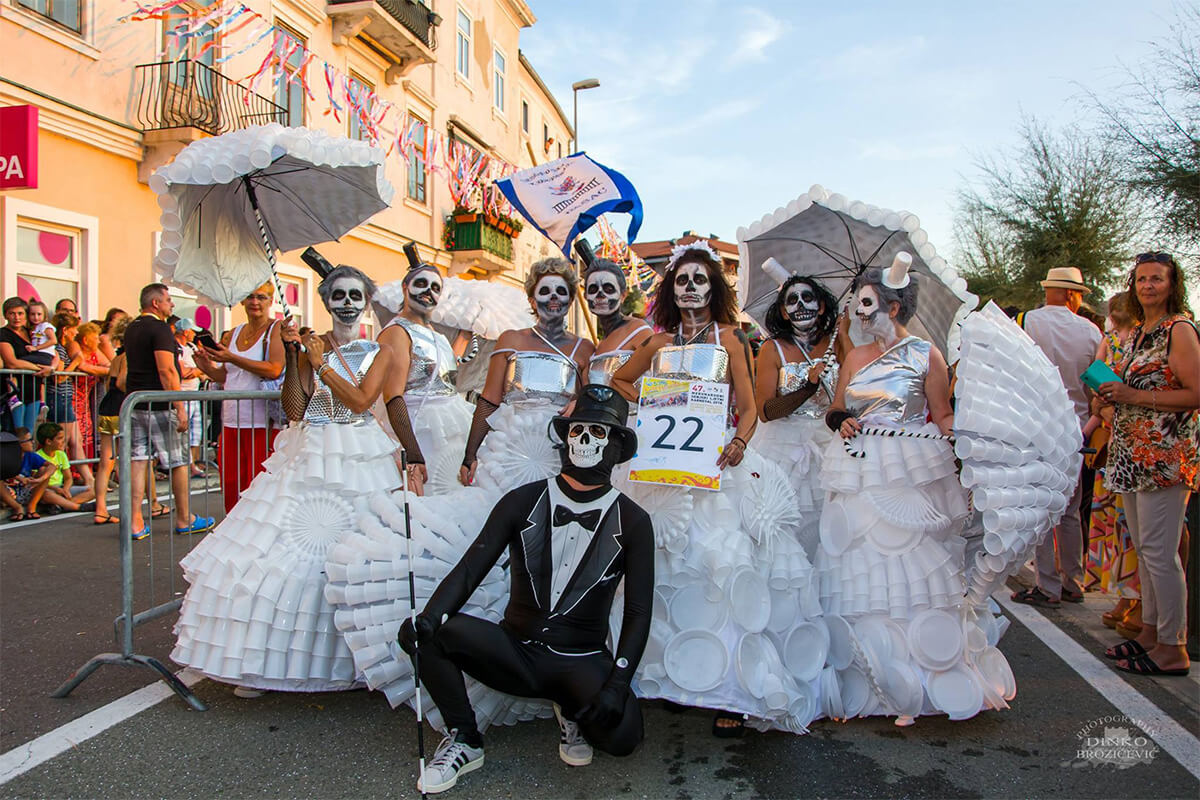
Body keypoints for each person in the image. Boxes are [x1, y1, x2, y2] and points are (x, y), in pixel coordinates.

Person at [397, 385, 652, 794]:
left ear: (617, 444)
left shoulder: (634, 520)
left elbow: (639, 612)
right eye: (577, 430)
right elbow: (469, 571)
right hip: (514, 653)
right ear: (565, 438)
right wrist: (429, 617)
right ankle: (465, 738)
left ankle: (571, 709)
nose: (584, 441)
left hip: (580, 660)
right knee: (430, 631)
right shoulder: (522, 500)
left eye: (598, 432)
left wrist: (618, 685)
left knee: (623, 739)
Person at [610, 241, 817, 736]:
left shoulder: (730, 339)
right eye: (681, 280)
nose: (690, 288)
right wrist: (656, 406)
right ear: (670, 289)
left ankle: (731, 684)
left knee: (720, 564)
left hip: (715, 465)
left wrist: (741, 441)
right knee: (662, 563)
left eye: (699, 280)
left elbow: (748, 405)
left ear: (713, 288)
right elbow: (620, 381)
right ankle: (672, 675)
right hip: (661, 468)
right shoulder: (659, 344)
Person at [171, 266, 400, 697]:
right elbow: (295, 408)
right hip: (307, 446)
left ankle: (358, 658)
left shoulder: (381, 349)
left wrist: (320, 365)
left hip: (357, 452)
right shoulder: (308, 342)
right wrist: (296, 357)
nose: (347, 303)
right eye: (338, 295)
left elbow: (361, 400)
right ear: (327, 299)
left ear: (365, 303)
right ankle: (264, 663)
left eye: (355, 295)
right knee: (279, 548)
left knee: (354, 550)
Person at [819, 261, 996, 724]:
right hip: (859, 468)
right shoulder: (853, 358)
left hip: (909, 467)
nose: (858, 312)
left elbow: (941, 413)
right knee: (860, 560)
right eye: (857, 303)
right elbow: (836, 407)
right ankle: (868, 674)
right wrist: (842, 420)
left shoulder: (926, 353)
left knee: (910, 562)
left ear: (892, 306)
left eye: (867, 303)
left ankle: (920, 675)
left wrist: (973, 442)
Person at [1099, 252, 1198, 677]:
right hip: (1133, 458)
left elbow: (1196, 393)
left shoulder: (1179, 330)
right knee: (1147, 550)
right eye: (1141, 279)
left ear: (1172, 284)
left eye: (1156, 279)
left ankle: (1173, 647)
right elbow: (1130, 385)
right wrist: (1111, 392)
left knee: (1161, 552)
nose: (1148, 286)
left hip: (1163, 459)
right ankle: (1151, 632)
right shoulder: (1142, 331)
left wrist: (1135, 397)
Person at [458, 258, 593, 491]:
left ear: (570, 300)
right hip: (508, 449)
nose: (553, 297)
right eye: (545, 291)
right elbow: (489, 400)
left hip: (559, 451)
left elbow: (589, 400)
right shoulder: (510, 339)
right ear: (532, 299)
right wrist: (469, 454)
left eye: (561, 291)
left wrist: (581, 401)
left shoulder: (585, 348)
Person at [1011, 266, 1102, 608]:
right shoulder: (1093, 333)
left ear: (1051, 291)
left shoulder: (1024, 323)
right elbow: (1099, 386)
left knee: (1040, 509)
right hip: (1076, 430)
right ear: (1071, 294)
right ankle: (1073, 581)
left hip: (1036, 430)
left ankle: (1046, 584)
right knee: (1070, 510)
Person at [753, 272, 845, 558]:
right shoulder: (772, 348)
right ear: (783, 311)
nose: (800, 305)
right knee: (789, 525)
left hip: (831, 444)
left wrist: (846, 334)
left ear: (820, 306)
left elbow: (857, 383)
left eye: (808, 298)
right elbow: (766, 412)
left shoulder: (836, 342)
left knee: (834, 523)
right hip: (783, 447)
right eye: (792, 300)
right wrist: (809, 386)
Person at [375, 247, 472, 496]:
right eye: (421, 284)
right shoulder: (396, 332)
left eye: (436, 287)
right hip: (420, 434)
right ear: (405, 288)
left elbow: (440, 376)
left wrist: (466, 335)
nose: (428, 292)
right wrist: (413, 452)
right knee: (426, 504)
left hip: (450, 431)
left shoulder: (435, 334)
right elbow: (393, 396)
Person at [123, 284, 214, 540]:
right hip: (160, 404)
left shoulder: (132, 327)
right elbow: (167, 370)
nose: (171, 304)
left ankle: (135, 522)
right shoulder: (160, 328)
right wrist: (179, 406)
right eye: (168, 300)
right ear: (155, 303)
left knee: (138, 461)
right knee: (179, 462)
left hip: (136, 401)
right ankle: (184, 518)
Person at [193, 284, 286, 513]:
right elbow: (225, 376)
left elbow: (274, 369)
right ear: (242, 301)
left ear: (270, 301)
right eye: (250, 296)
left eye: (261, 297)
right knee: (232, 488)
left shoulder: (276, 328)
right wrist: (205, 365)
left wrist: (231, 357)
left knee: (258, 488)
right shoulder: (234, 332)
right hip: (231, 421)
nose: (255, 302)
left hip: (263, 422)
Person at [1083, 291, 1140, 632]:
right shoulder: (1116, 344)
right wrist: (1101, 407)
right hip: (1117, 444)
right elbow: (1095, 389)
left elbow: (1095, 386)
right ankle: (1127, 597)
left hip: (1130, 443)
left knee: (1127, 529)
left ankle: (1133, 600)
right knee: (1122, 527)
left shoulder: (1129, 345)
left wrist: (1102, 408)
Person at [581, 257, 653, 386]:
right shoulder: (598, 346)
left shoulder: (639, 331)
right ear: (585, 296)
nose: (600, 295)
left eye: (608, 289)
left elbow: (659, 379)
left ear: (622, 295)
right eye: (593, 289)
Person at [1, 297, 57, 433]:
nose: (16, 317)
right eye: (12, 313)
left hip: (34, 390)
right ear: (5, 315)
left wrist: (52, 368)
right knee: (15, 434)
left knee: (29, 434)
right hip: (14, 393)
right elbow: (11, 363)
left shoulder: (32, 331)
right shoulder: (3, 334)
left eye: (20, 313)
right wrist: (39, 369)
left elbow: (54, 352)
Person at [68, 321, 108, 479]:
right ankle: (73, 473)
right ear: (85, 340)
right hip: (71, 397)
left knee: (88, 434)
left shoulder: (95, 352)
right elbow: (81, 364)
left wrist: (91, 369)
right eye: (95, 338)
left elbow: (109, 367)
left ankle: (87, 473)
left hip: (84, 400)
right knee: (74, 436)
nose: (98, 341)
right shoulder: (74, 346)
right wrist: (95, 370)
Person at [170, 317, 206, 477]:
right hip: (182, 396)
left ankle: (192, 464)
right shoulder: (175, 348)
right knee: (181, 434)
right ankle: (184, 466)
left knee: (195, 434)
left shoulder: (191, 347)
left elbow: (203, 368)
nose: (193, 334)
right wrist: (197, 370)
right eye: (192, 331)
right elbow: (183, 373)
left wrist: (196, 371)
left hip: (195, 395)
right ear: (185, 331)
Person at [34, 422, 96, 513]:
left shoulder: (61, 454)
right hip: (48, 489)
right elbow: (36, 481)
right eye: (59, 438)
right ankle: (76, 506)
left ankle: (63, 505)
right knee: (45, 494)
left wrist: (65, 489)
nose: (63, 441)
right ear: (48, 442)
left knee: (94, 490)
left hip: (61, 488)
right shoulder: (37, 456)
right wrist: (56, 489)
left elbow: (68, 478)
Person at [3, 427, 53, 520]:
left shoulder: (30, 455)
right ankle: (17, 508)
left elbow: (52, 466)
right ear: (20, 444)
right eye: (29, 440)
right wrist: (20, 478)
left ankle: (32, 507)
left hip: (25, 490)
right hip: (9, 492)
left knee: (44, 470)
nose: (32, 442)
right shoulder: (7, 455)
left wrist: (39, 480)